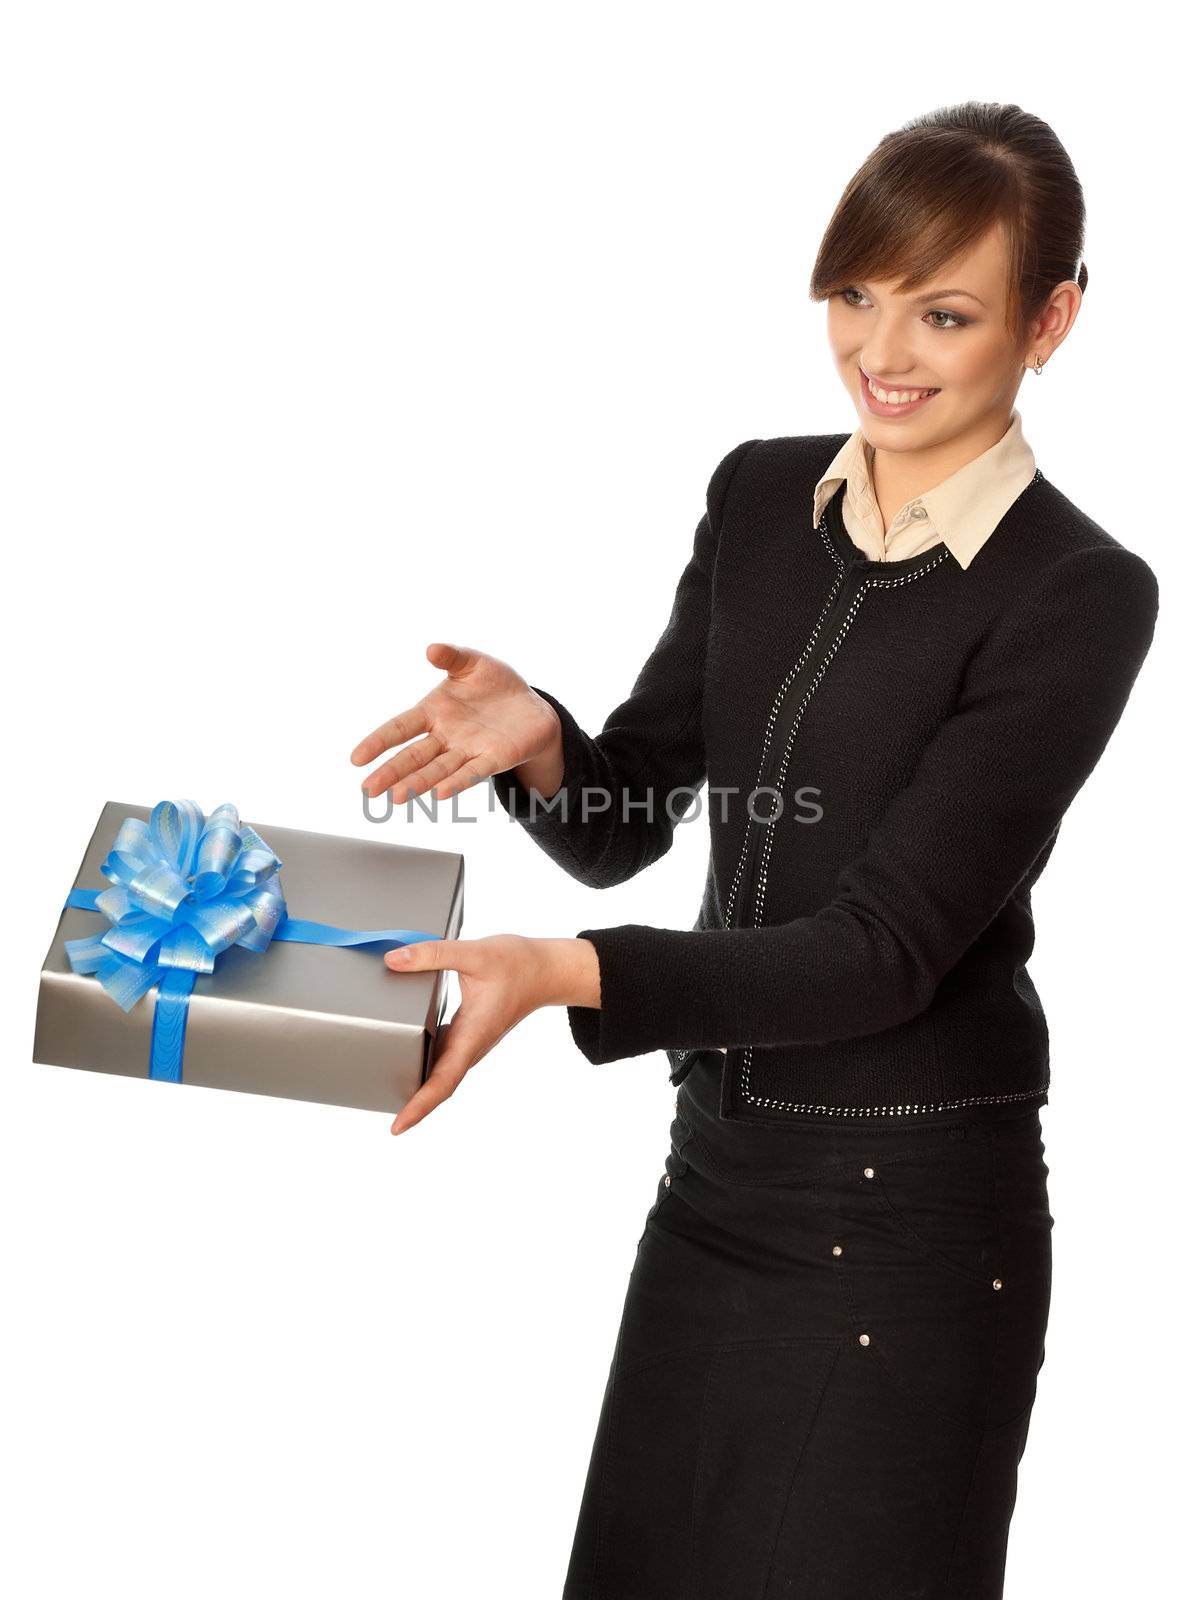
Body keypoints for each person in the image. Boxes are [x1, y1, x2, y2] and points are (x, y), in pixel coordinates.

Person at [350, 101, 1160, 1598]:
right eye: (854, 293)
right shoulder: (755, 499)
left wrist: (559, 975)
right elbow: (626, 825)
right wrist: (542, 744)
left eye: (944, 310)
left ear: (1048, 321)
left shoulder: (1079, 591)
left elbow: (883, 951)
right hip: (715, 1183)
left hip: (913, 1221)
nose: (881, 350)